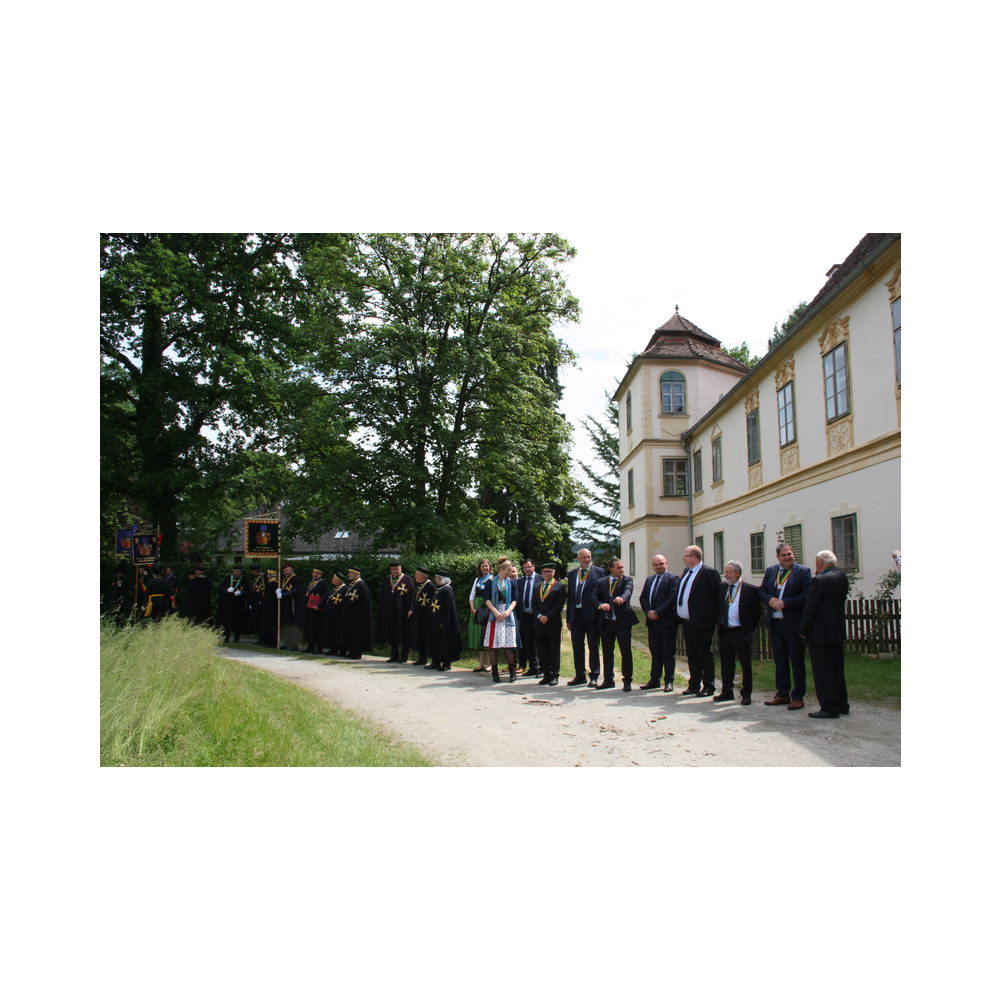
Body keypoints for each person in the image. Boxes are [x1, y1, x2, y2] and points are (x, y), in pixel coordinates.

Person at [758, 542, 812, 711]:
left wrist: (785, 603)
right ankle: (782, 693)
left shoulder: (802, 572)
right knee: (780, 660)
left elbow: (807, 595)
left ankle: (798, 697)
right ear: (778, 557)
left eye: (790, 554)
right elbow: (761, 591)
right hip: (776, 623)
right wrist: (770, 600)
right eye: (784, 555)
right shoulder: (771, 571)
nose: (788, 557)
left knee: (796, 661)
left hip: (793, 624)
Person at [799, 550, 850, 719]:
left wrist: (803, 630)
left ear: (820, 562)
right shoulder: (841, 577)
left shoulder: (819, 581)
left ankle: (829, 707)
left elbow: (811, 607)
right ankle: (842, 703)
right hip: (837, 629)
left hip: (820, 632)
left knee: (823, 671)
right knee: (837, 669)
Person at [676, 545, 722, 696]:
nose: (683, 558)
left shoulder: (709, 573)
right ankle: (694, 684)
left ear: (693, 557)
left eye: (686, 556)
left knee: (704, 654)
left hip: (703, 622)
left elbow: (718, 597)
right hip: (687, 622)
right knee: (692, 654)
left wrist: (715, 618)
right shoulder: (687, 572)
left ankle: (709, 685)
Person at [715, 559, 761, 704]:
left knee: (745, 664)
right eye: (725, 572)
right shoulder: (722, 587)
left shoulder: (751, 590)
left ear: (737, 573)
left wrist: (748, 631)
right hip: (726, 631)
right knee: (726, 663)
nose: (726, 575)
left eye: (728, 572)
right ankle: (727, 691)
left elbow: (756, 614)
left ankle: (746, 693)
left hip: (741, 632)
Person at [593, 557, 639, 691]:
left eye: (622, 567)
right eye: (618, 567)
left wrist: (622, 598)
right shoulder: (601, 582)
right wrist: (600, 605)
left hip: (622, 622)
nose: (622, 570)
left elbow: (628, 591)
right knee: (607, 652)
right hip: (607, 622)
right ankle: (608, 679)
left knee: (625, 652)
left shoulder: (627, 580)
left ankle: (627, 680)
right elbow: (593, 596)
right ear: (611, 569)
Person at [638, 554, 680, 692]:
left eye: (661, 564)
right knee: (655, 652)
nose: (659, 567)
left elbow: (672, 599)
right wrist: (649, 612)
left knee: (668, 653)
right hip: (652, 623)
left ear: (666, 563)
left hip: (667, 622)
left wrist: (657, 613)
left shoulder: (673, 579)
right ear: (652, 566)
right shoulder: (650, 580)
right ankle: (654, 680)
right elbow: (643, 597)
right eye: (656, 565)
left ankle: (669, 681)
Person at [566, 548, 606, 686]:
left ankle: (594, 675)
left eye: (589, 557)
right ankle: (580, 675)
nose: (587, 560)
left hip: (592, 615)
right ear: (578, 559)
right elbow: (570, 597)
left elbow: (603, 593)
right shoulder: (572, 574)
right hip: (576, 615)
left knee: (593, 646)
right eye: (584, 557)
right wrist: (569, 618)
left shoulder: (599, 572)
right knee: (577, 646)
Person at [484, 558, 521, 683]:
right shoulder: (490, 582)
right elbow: (487, 599)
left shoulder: (512, 582)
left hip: (507, 614)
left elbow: (515, 599)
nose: (511, 572)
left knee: (508, 644)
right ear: (501, 569)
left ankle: (512, 671)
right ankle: (495, 672)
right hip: (494, 613)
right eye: (509, 570)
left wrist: (509, 610)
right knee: (493, 645)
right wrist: (495, 612)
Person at [375, 560, 416, 663]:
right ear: (390, 570)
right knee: (391, 633)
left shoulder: (407, 579)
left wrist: (411, 609)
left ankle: (404, 656)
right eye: (393, 569)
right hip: (390, 612)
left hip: (403, 611)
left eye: (397, 569)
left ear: (400, 569)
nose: (395, 571)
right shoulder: (386, 580)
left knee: (403, 634)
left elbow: (412, 595)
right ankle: (394, 655)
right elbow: (383, 596)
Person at [533, 562, 566, 686]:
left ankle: (554, 674)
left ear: (554, 573)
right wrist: (539, 616)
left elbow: (559, 605)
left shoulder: (560, 586)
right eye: (545, 572)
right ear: (542, 573)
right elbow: (534, 604)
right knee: (542, 649)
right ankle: (546, 674)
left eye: (549, 571)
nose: (547, 574)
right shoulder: (537, 587)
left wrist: (548, 616)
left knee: (554, 650)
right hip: (539, 623)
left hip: (553, 623)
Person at [428, 571, 464, 671]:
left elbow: (448, 609)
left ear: (441, 579)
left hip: (443, 622)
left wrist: (443, 622)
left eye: (436, 577)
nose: (435, 579)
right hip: (435, 619)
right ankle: (435, 661)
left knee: (444, 642)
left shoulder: (447, 591)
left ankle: (446, 663)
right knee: (435, 641)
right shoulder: (439, 589)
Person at [340, 567, 373, 660]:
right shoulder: (351, 584)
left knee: (357, 633)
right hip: (350, 614)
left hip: (358, 614)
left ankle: (357, 652)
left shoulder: (361, 585)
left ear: (356, 574)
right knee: (350, 632)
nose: (348, 575)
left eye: (350, 573)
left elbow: (364, 602)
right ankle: (352, 650)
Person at [468, 558, 494, 672]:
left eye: (487, 566)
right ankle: (481, 664)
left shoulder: (493, 579)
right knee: (479, 636)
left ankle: (490, 664)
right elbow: (472, 595)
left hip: (487, 608)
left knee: (487, 635)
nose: (485, 568)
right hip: (477, 609)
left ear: (490, 568)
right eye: (483, 566)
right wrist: (472, 608)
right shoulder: (477, 580)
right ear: (480, 568)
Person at [516, 559, 541, 676]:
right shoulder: (520, 582)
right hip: (524, 617)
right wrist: (518, 618)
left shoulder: (540, 579)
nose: (527, 569)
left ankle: (543, 667)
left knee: (540, 643)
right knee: (528, 643)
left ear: (534, 567)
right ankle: (533, 667)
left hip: (537, 617)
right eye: (525, 567)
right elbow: (517, 601)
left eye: (529, 567)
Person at [410, 565, 435, 666]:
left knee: (426, 636)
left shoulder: (430, 586)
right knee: (419, 635)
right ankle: (421, 657)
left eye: (416, 574)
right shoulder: (418, 585)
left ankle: (430, 657)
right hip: (418, 614)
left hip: (427, 616)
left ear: (421, 576)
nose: (415, 576)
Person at [302, 568, 328, 654]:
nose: (315, 575)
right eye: (314, 573)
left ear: (320, 575)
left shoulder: (322, 583)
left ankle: (319, 647)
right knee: (309, 627)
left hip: (316, 610)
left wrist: (319, 605)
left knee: (316, 628)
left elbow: (324, 595)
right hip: (309, 609)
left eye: (317, 573)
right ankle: (310, 645)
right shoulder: (310, 582)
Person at [218, 564, 247, 641]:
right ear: (233, 571)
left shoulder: (243, 579)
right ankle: (226, 637)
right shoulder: (227, 578)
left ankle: (237, 638)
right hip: (228, 603)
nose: (239, 573)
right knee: (227, 619)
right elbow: (222, 588)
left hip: (238, 603)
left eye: (240, 571)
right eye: (237, 571)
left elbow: (247, 591)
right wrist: (227, 590)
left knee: (238, 620)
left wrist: (241, 593)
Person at [276, 563, 301, 650]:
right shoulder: (283, 579)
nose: (286, 572)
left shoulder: (296, 579)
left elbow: (295, 591)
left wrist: (283, 595)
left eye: (287, 570)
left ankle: (294, 645)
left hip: (292, 605)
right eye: (284, 571)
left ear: (291, 570)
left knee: (292, 625)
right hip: (285, 606)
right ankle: (286, 643)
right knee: (286, 625)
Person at [323, 570, 347, 656]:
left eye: (334, 579)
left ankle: (340, 649)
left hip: (338, 615)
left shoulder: (344, 589)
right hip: (331, 614)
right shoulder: (335, 589)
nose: (332, 580)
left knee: (338, 632)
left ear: (338, 580)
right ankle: (333, 648)